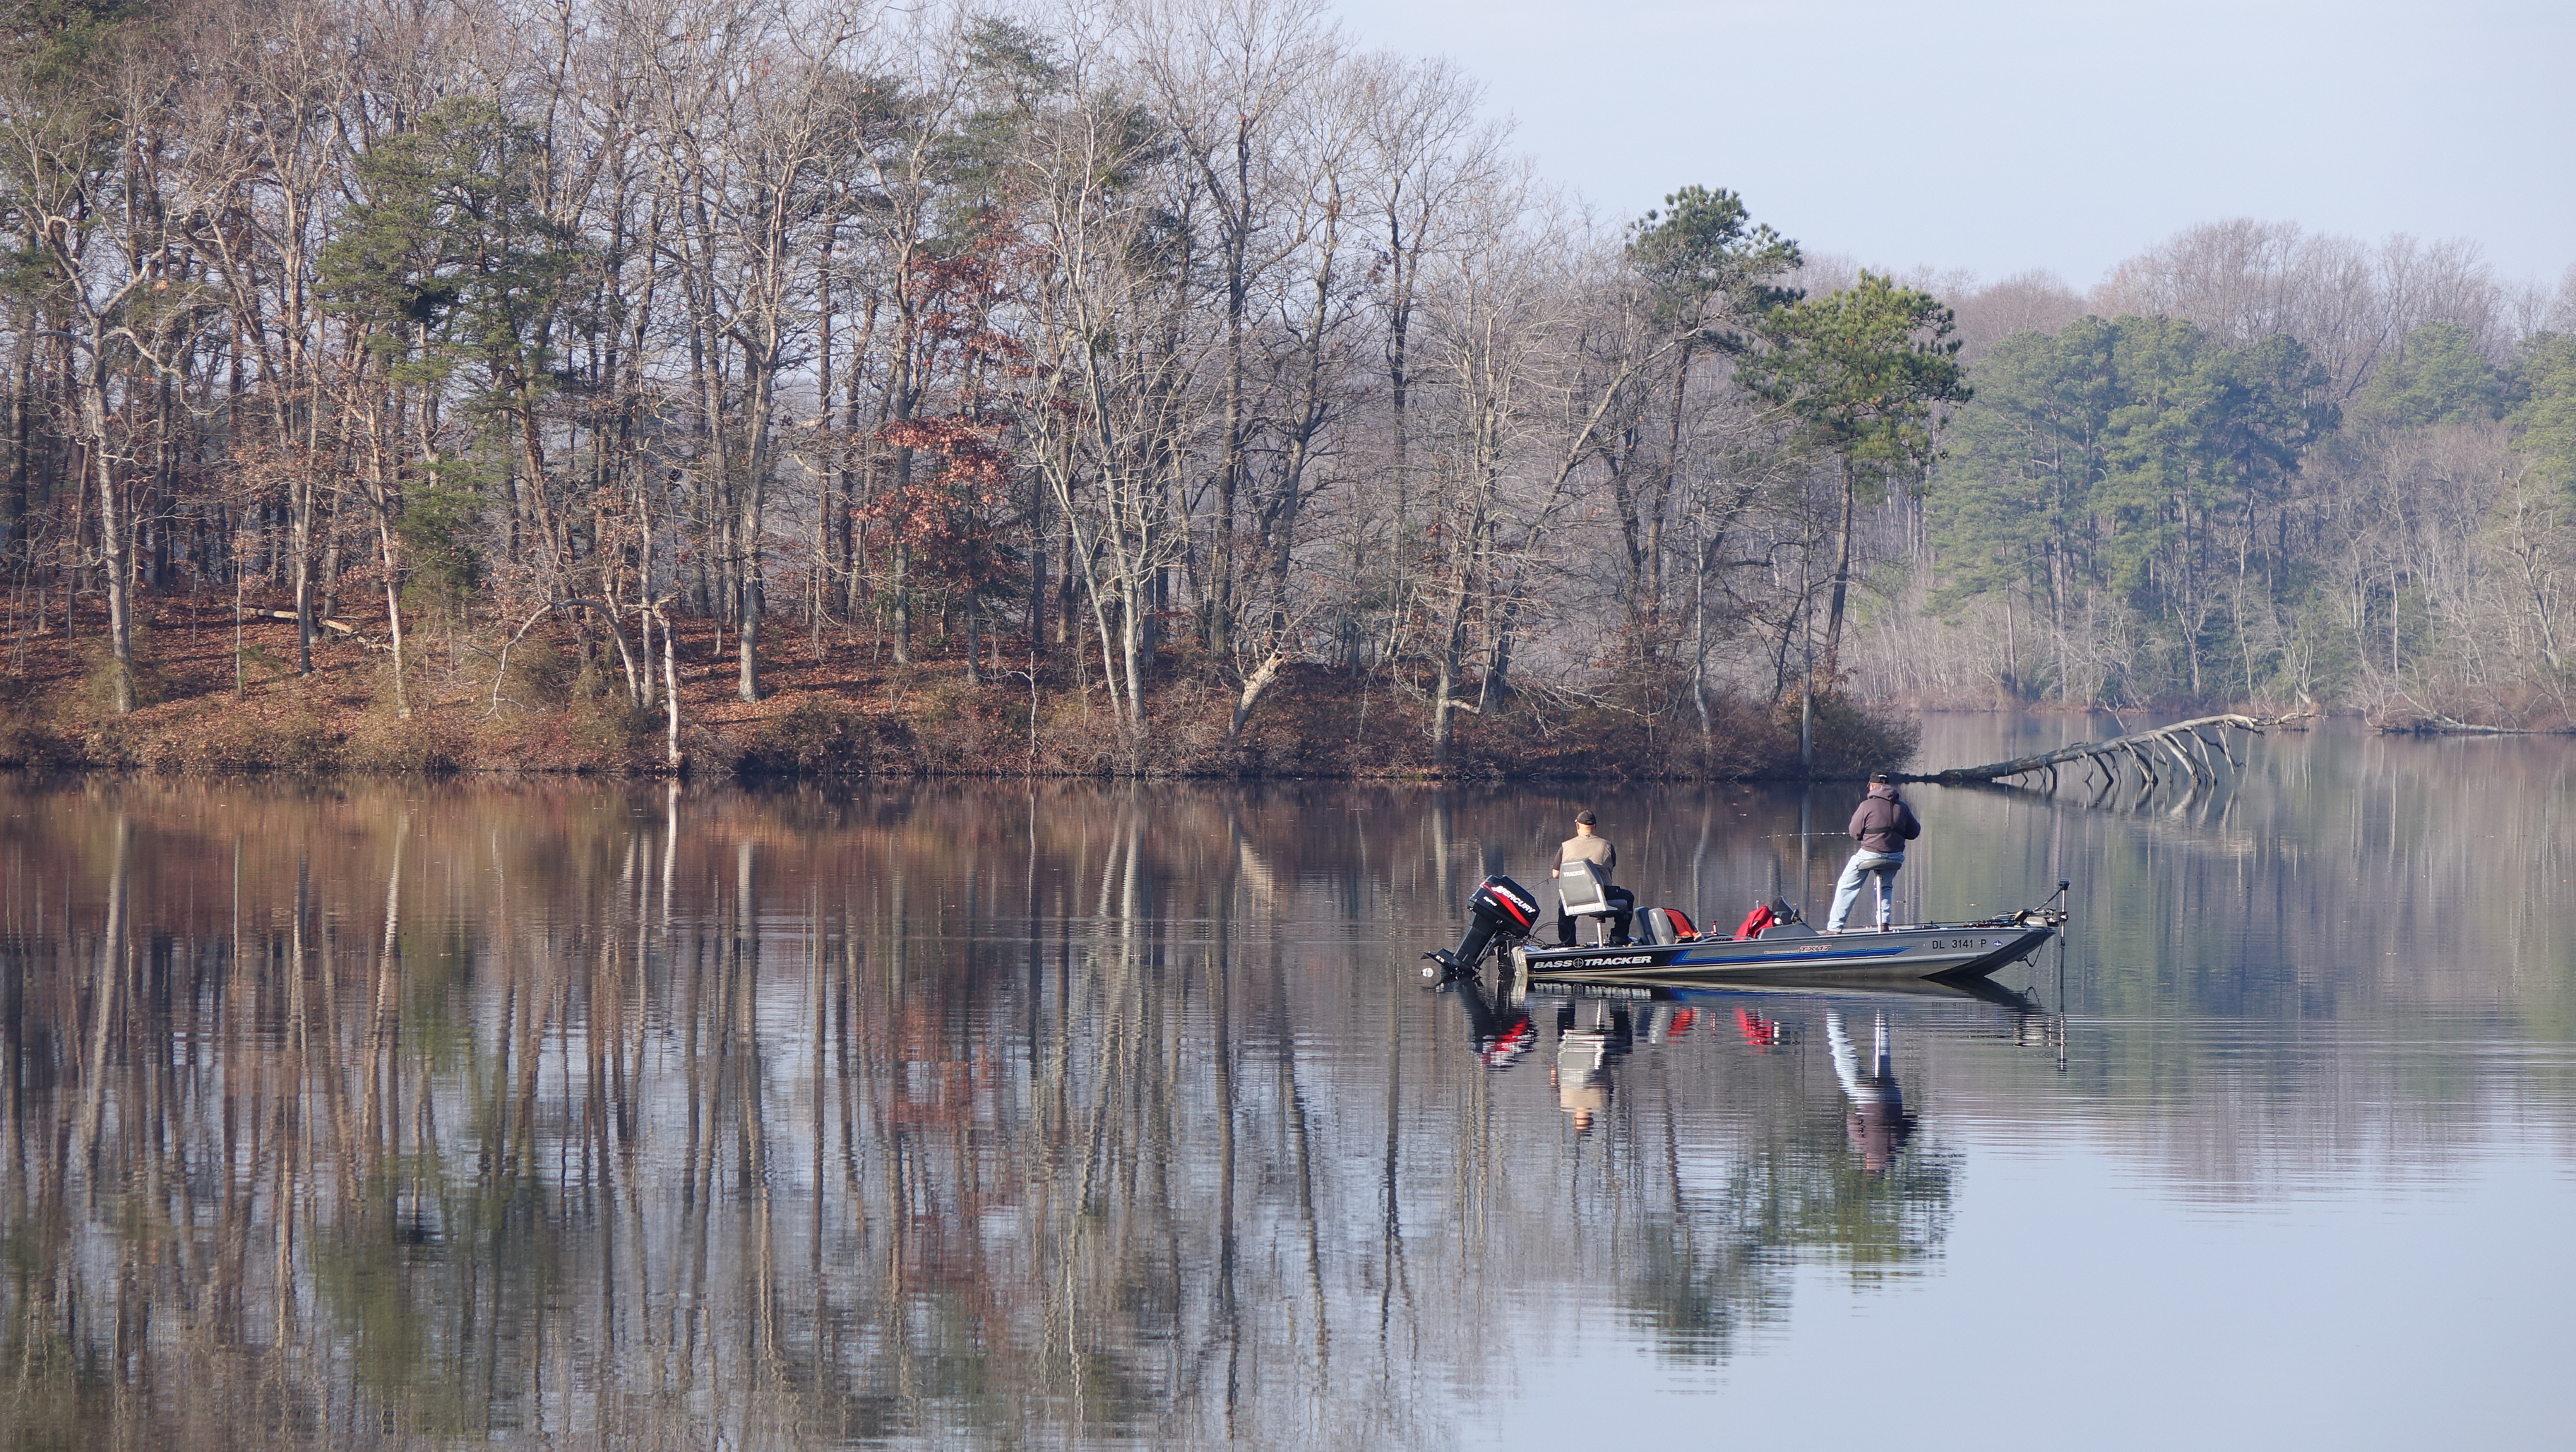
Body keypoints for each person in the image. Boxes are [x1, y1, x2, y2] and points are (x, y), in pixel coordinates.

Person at [1826, 773, 1920, 932]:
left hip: (1869, 854)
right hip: (1895, 857)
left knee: (1846, 885)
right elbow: (1914, 832)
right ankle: (1883, 924)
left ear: (1871, 786)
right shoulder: (1902, 806)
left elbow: (1854, 833)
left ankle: (1834, 927)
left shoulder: (1866, 806)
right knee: (1885, 887)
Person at [1551, 809, 1634, 946]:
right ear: (1595, 826)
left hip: (1575, 896)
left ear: (1577, 825)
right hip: (1602, 893)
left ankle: (1567, 942)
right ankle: (1619, 938)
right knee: (1628, 897)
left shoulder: (1565, 846)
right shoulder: (1607, 845)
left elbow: (1555, 874)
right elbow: (1611, 867)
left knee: (1563, 903)